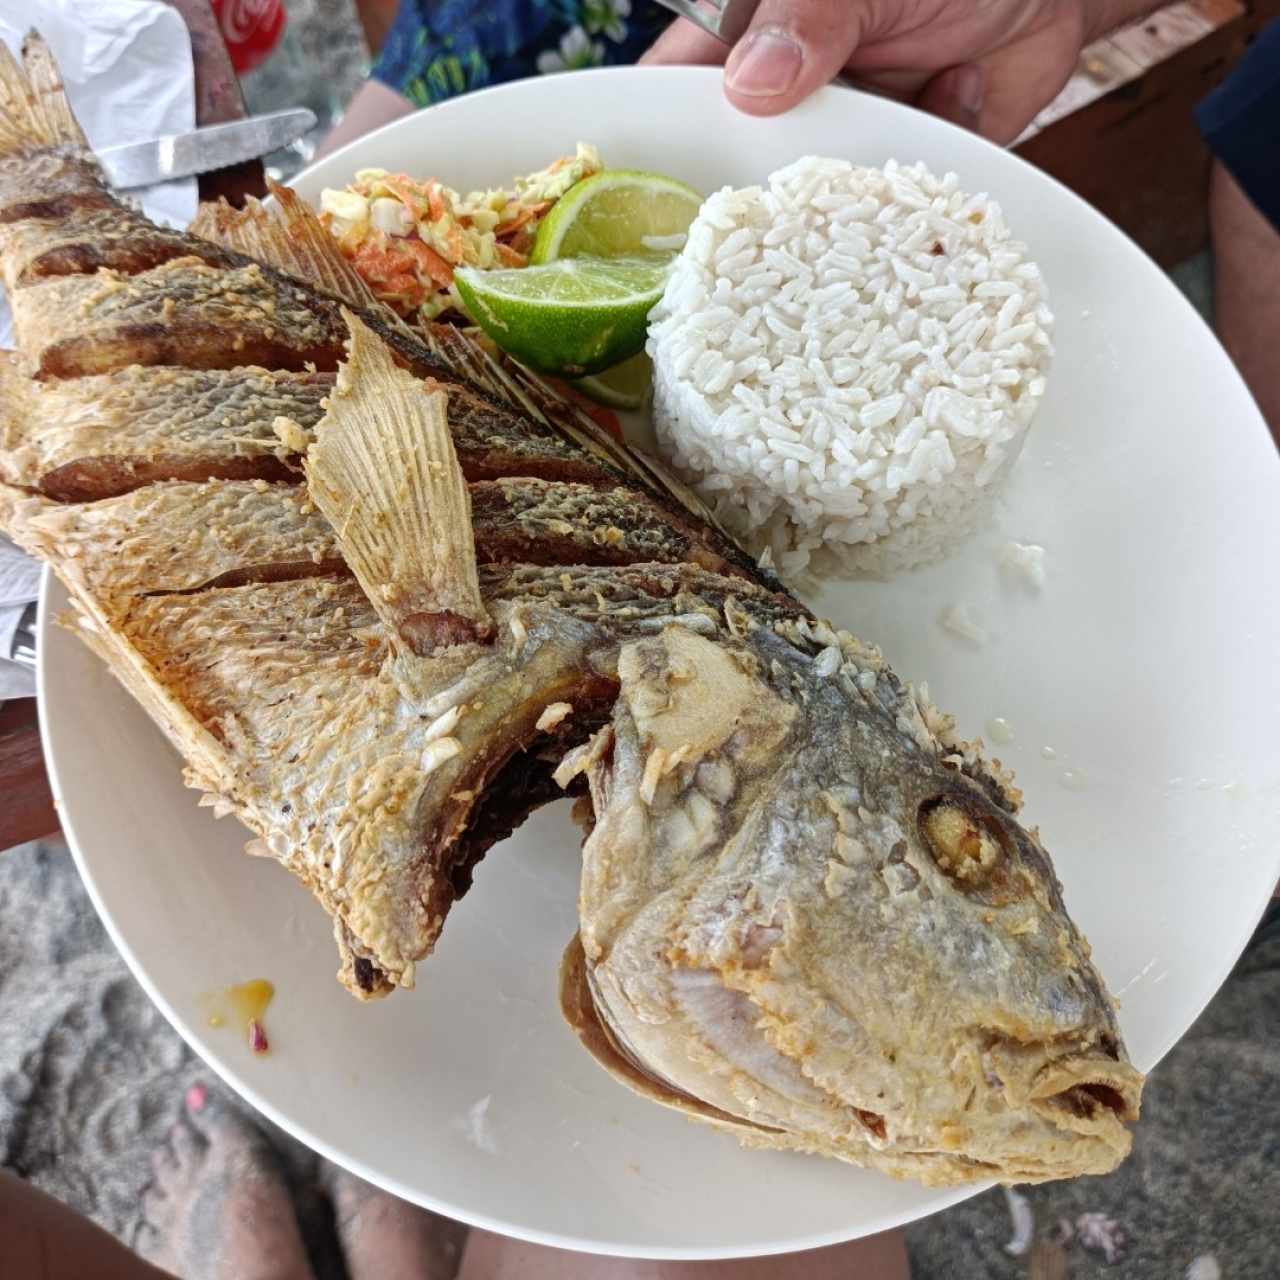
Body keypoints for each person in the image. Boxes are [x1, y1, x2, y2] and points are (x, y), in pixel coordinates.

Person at [3, 3, 1277, 1278]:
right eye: (964, 849)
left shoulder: (684, 706)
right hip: (161, 379)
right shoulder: (648, 682)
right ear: (716, 713)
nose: (968, 855)